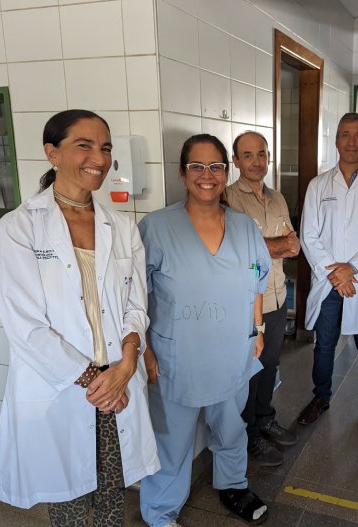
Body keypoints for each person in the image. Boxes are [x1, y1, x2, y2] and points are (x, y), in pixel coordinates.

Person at [0, 109, 160, 526]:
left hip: (116, 381)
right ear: (52, 153)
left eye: (105, 148)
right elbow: (26, 327)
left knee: (112, 501)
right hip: (67, 387)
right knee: (69, 505)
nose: (98, 158)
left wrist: (126, 363)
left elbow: (137, 306)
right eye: (84, 145)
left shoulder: (121, 227)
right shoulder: (19, 228)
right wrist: (99, 383)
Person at [139, 134, 271, 527]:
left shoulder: (245, 227)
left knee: (231, 427)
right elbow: (134, 295)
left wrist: (258, 328)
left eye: (215, 166)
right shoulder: (156, 227)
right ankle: (160, 513)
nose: (207, 175)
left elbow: (257, 277)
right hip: (175, 358)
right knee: (172, 441)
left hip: (233, 349)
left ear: (226, 172)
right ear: (183, 173)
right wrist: (144, 350)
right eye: (197, 166)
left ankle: (233, 485)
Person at [298, 112, 358, 437]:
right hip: (329, 282)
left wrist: (351, 269)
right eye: (345, 134)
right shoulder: (318, 185)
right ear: (336, 139)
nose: (351, 141)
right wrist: (336, 274)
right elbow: (308, 235)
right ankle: (320, 398)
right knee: (324, 345)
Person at [226, 131, 300, 467]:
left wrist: (279, 245)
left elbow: (291, 240)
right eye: (248, 155)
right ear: (236, 160)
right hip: (247, 305)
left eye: (262, 154)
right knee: (250, 371)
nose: (257, 161)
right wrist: (277, 247)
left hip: (277, 296)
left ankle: (265, 418)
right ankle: (249, 433)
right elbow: (242, 251)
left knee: (270, 364)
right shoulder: (229, 200)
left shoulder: (278, 197)